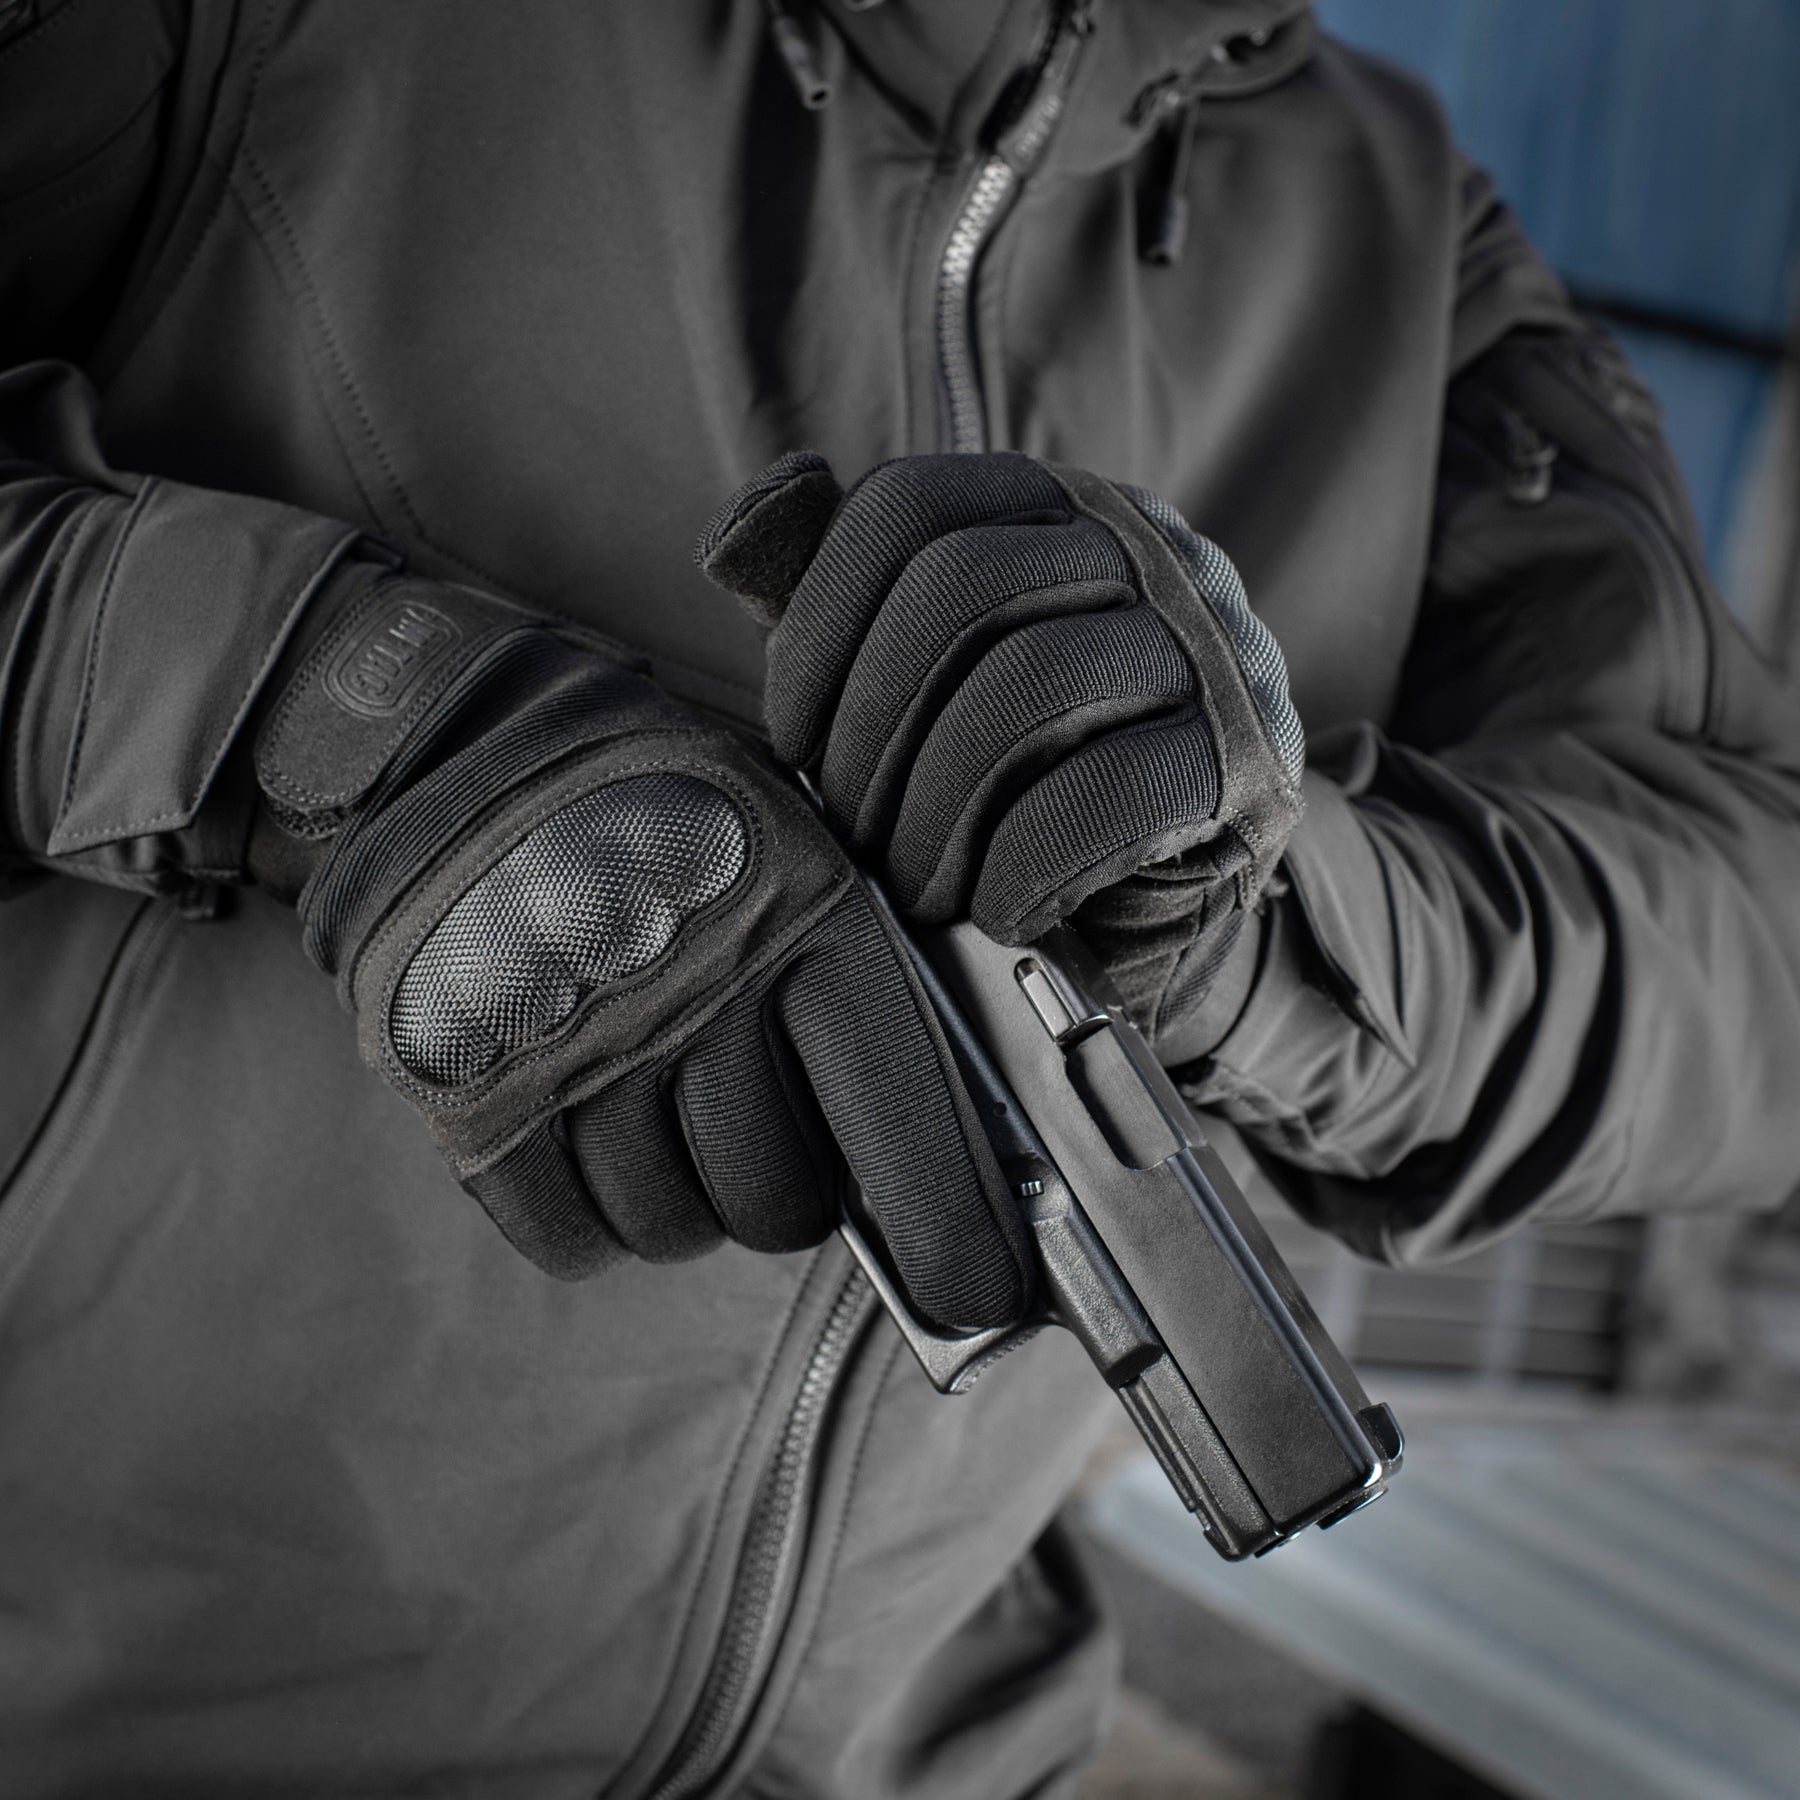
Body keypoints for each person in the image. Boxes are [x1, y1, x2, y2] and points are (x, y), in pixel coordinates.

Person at [2, 2, 1796, 1794]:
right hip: (129, 1708)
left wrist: (1265, 924)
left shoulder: (1399, 219)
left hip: (925, 1740)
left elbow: (1762, 971)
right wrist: (321, 702)